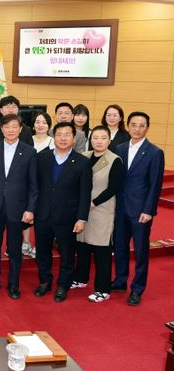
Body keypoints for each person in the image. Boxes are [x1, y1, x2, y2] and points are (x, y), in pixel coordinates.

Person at [0, 114, 37, 300]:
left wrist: (30, 208)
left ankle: (13, 283)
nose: (11, 130)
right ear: (2, 129)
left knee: (14, 248)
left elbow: (33, 184)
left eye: (14, 126)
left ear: (20, 129)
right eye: (7, 126)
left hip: (17, 208)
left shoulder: (29, 151)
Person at [34, 122, 92, 303]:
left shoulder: (83, 162)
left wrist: (82, 218)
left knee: (67, 254)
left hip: (68, 217)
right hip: (42, 214)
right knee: (42, 252)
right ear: (54, 137)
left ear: (74, 138)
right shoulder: (41, 158)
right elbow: (34, 187)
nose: (63, 138)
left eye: (67, 134)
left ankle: (63, 285)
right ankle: (45, 281)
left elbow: (85, 193)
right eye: (59, 134)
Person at [112, 111, 164, 306]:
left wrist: (148, 210)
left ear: (147, 128)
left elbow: (155, 184)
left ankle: (137, 288)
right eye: (133, 125)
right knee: (120, 247)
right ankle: (120, 281)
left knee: (141, 252)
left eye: (142, 125)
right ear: (128, 126)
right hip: (120, 208)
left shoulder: (155, 152)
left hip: (140, 211)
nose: (137, 129)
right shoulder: (120, 148)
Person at [71, 126, 124, 303]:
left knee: (102, 251)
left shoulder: (114, 160)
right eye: (95, 138)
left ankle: (103, 289)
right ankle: (80, 278)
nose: (99, 141)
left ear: (109, 140)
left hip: (101, 210)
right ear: (90, 140)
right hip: (82, 210)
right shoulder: (84, 156)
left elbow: (113, 188)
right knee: (82, 246)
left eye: (103, 138)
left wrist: (92, 203)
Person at [26, 110, 55, 259]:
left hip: (45, 183)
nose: (40, 125)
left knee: (41, 215)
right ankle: (25, 243)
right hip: (27, 182)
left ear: (49, 125)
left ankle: (39, 245)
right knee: (26, 211)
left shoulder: (53, 142)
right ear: (33, 125)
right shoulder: (27, 140)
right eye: (37, 122)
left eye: (44, 122)